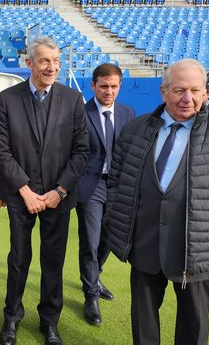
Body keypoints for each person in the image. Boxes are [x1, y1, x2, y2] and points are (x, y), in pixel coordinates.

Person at [106, 59, 209, 345]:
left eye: (195, 90)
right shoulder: (135, 130)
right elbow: (116, 183)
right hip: (145, 244)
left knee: (194, 325)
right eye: (179, 90)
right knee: (143, 324)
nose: (187, 98)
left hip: (198, 249)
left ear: (206, 94)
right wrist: (115, 227)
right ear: (163, 91)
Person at [0, 36, 89, 345]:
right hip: (22, 198)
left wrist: (59, 191)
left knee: (53, 262)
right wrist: (25, 190)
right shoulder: (8, 98)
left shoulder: (73, 99)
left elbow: (81, 152)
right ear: (29, 63)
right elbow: (2, 151)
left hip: (57, 200)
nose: (52, 67)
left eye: (56, 61)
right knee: (18, 259)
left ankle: (49, 322)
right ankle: (12, 318)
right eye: (45, 60)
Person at [75, 63, 135, 326]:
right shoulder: (79, 112)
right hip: (90, 184)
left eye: (113, 86)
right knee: (90, 239)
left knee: (109, 239)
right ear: (93, 86)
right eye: (104, 86)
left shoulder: (127, 113)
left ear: (120, 86)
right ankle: (91, 295)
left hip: (118, 186)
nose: (109, 91)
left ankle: (94, 277)